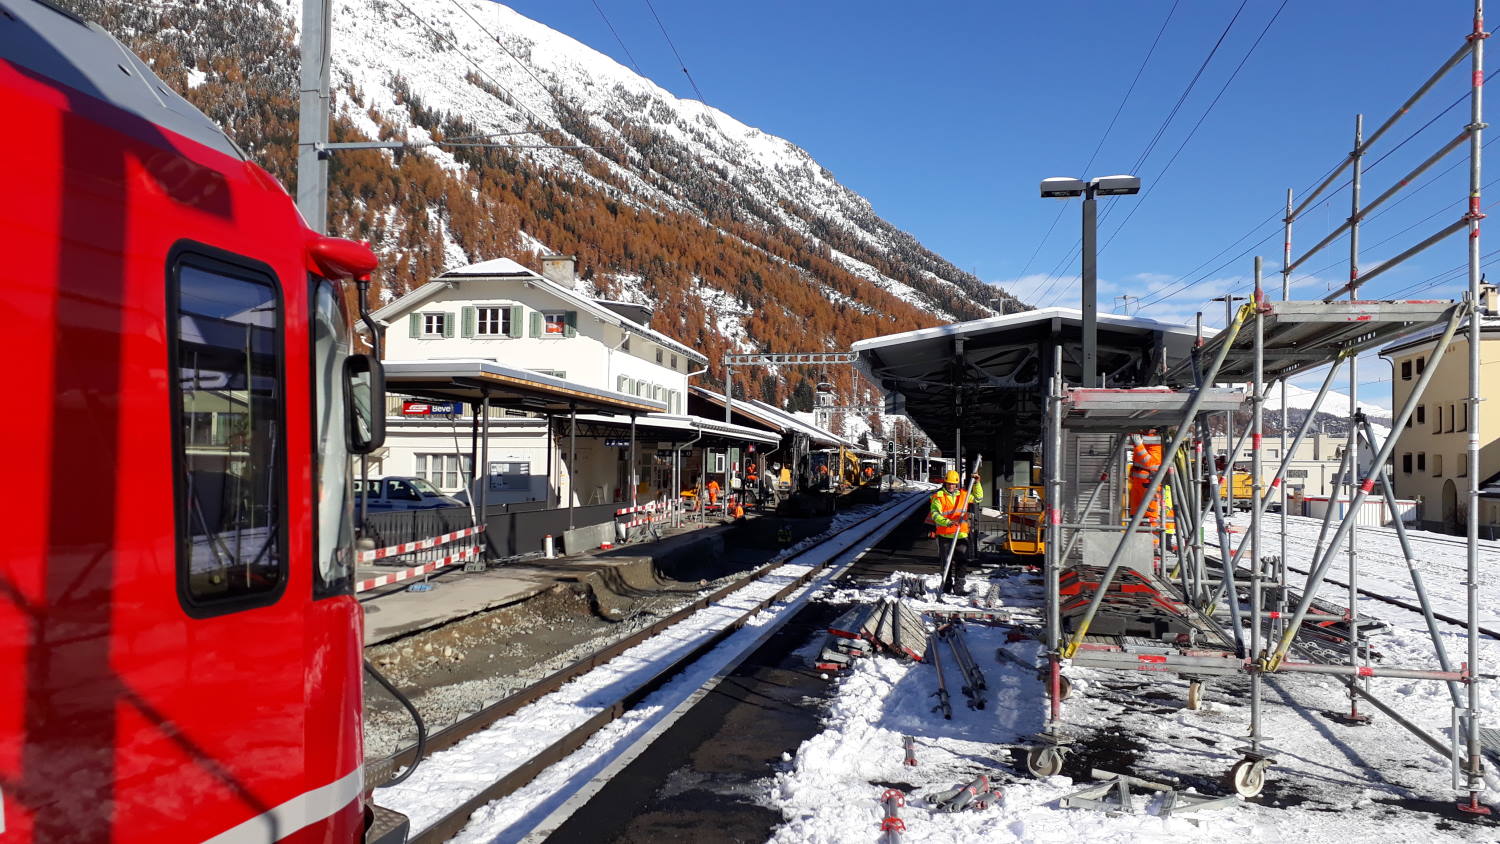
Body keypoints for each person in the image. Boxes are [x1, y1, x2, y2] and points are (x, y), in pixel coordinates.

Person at [928, 469, 984, 594]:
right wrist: (947, 522)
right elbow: (935, 514)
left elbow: (979, 498)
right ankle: (947, 586)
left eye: (953, 484)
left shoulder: (964, 494)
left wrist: (977, 483)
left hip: (961, 535)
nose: (951, 486)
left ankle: (959, 587)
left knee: (962, 562)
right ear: (945, 483)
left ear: (957, 484)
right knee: (946, 562)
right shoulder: (938, 497)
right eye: (949, 483)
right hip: (945, 535)